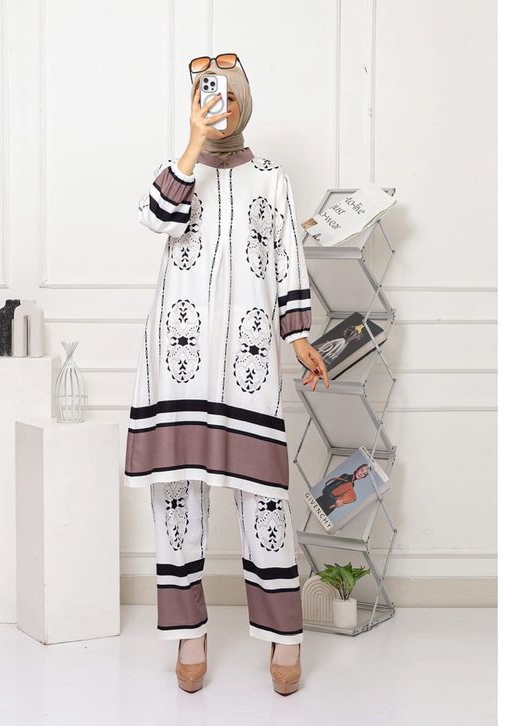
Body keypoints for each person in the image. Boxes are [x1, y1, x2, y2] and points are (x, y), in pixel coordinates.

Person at [123, 54, 329, 695]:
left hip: (246, 365)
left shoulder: (271, 180)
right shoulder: (179, 173)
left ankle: (284, 635)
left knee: (264, 499)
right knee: (177, 498)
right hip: (178, 365)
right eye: (207, 94)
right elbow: (155, 218)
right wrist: (192, 143)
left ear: (245, 102)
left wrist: (298, 336)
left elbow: (288, 259)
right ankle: (189, 633)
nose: (220, 103)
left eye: (230, 94)